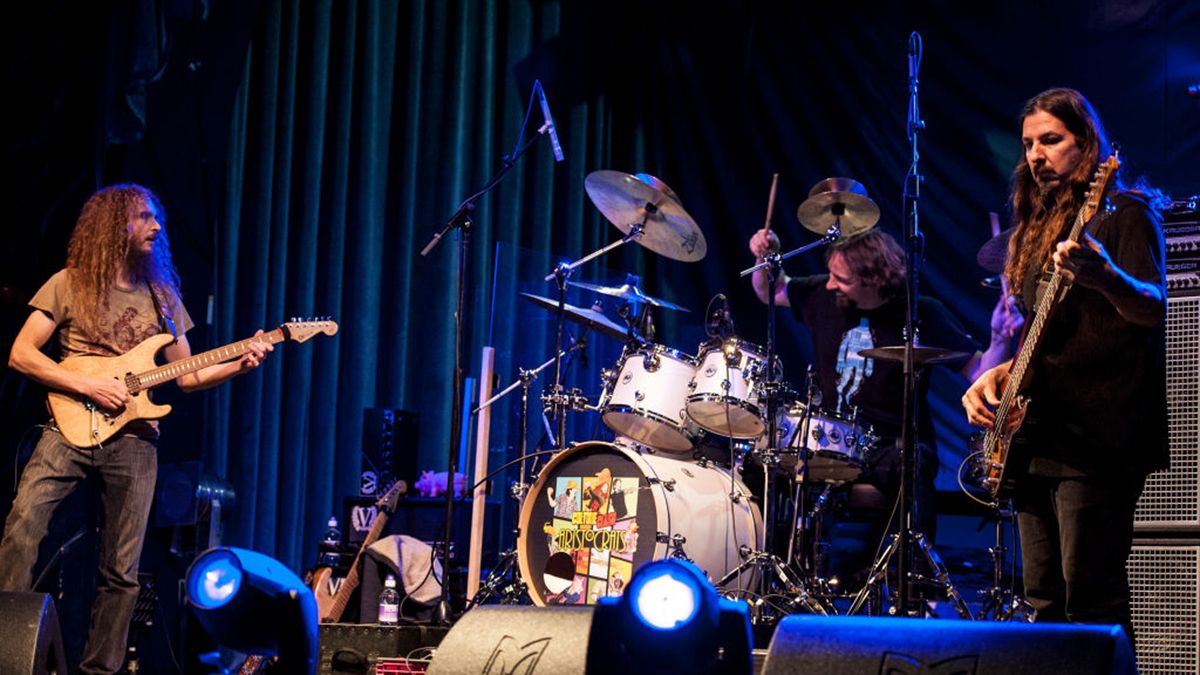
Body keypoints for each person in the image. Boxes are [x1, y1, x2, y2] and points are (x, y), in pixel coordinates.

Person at [0, 184, 273, 674]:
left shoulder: (163, 297)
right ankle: (5, 649)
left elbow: (188, 376)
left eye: (156, 217)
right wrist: (88, 386)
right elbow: (21, 354)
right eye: (144, 217)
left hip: (135, 439)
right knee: (22, 527)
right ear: (113, 224)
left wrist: (241, 363)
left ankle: (99, 671)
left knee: (121, 571)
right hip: (68, 427)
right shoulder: (68, 283)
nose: (157, 226)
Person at [962, 88, 1167, 646]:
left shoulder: (1124, 213)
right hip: (1039, 433)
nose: (1035, 155)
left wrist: (1107, 278)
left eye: (1050, 140)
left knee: (1092, 599)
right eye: (1028, 144)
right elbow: (1046, 332)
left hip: (1098, 434)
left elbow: (1152, 308)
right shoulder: (1038, 225)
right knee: (1043, 600)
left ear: (1086, 143)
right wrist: (998, 373)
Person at [748, 217, 1013, 588]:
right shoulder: (824, 294)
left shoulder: (921, 312)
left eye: (841, 279)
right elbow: (770, 291)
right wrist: (764, 257)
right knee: (761, 466)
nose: (830, 284)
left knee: (915, 463)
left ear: (873, 280)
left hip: (891, 445)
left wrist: (999, 337)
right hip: (830, 440)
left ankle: (914, 583)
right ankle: (781, 578)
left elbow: (980, 371)